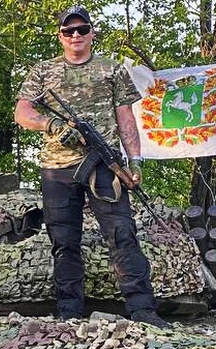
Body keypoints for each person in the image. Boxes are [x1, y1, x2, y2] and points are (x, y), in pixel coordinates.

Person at [14, 6, 170, 329]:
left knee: (122, 234)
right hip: (56, 168)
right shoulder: (43, 72)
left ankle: (142, 310)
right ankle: (69, 314)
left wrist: (135, 161)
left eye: (82, 29)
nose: (75, 36)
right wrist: (52, 124)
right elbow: (22, 112)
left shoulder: (111, 70)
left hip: (103, 165)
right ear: (60, 36)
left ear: (91, 33)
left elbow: (126, 119)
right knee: (64, 241)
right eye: (69, 30)